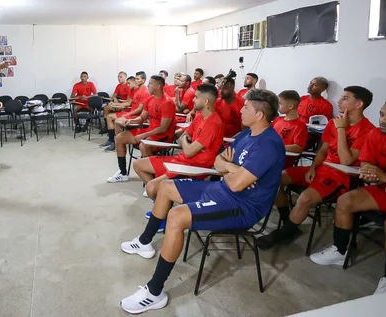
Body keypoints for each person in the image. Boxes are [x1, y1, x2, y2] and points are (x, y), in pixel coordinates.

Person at [118, 89, 285, 314]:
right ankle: (145, 241)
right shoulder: (246, 135)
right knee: (166, 188)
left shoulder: (269, 144)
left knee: (177, 215)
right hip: (223, 190)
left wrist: (231, 171)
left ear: (260, 115)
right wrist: (234, 168)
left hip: (243, 206)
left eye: (246, 108)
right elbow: (219, 161)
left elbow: (236, 185)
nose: (240, 110)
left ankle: (154, 292)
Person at [309, 98, 386, 276]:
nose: (383, 120)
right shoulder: (376, 134)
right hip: (383, 189)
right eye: (382, 114)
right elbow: (366, 160)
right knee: (345, 201)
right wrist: (367, 169)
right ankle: (340, 252)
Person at [257, 86, 375, 250]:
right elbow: (323, 150)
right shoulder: (334, 122)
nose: (340, 101)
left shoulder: (368, 130)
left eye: (345, 98)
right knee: (276, 177)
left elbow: (346, 160)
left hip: (340, 176)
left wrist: (341, 129)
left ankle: (285, 232)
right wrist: (312, 167)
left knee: (304, 198)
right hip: (321, 169)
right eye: (341, 97)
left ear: (359, 104)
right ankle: (288, 222)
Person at [133, 84, 224, 197]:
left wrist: (185, 140)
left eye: (196, 97)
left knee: (151, 187)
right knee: (138, 165)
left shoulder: (213, 124)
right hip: (181, 160)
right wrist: (186, 140)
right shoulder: (200, 117)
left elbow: (188, 150)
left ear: (205, 101)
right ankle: (162, 195)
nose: (193, 100)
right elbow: (184, 137)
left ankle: (161, 199)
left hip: (194, 167)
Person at [107, 76, 175, 183]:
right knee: (120, 138)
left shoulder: (167, 102)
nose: (148, 86)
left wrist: (143, 136)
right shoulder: (150, 99)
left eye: (151, 84)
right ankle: (123, 173)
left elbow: (163, 128)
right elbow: (142, 118)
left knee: (144, 145)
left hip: (163, 135)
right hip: (150, 131)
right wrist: (130, 121)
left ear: (158, 86)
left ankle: (153, 181)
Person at [101, 72, 150, 151]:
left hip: (136, 115)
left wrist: (128, 113)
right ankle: (112, 141)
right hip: (131, 112)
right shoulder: (136, 90)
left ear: (143, 80)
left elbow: (140, 109)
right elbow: (129, 103)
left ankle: (118, 142)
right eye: (136, 78)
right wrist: (116, 104)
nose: (136, 80)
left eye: (138, 79)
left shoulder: (144, 91)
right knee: (109, 117)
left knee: (117, 121)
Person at [272, 90, 308, 168]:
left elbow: (298, 148)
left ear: (290, 106)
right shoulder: (278, 119)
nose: (277, 105)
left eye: (280, 103)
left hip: (282, 160)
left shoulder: (300, 125)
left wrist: (275, 146)